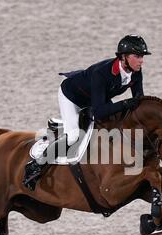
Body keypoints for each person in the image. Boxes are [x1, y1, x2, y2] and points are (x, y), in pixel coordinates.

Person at [23, 34, 151, 191]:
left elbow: (139, 101)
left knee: (115, 124)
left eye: (142, 56)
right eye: (137, 56)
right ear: (124, 57)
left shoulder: (136, 72)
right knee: (74, 136)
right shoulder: (101, 73)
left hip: (94, 98)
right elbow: (99, 112)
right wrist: (125, 104)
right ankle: (37, 164)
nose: (141, 60)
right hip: (71, 96)